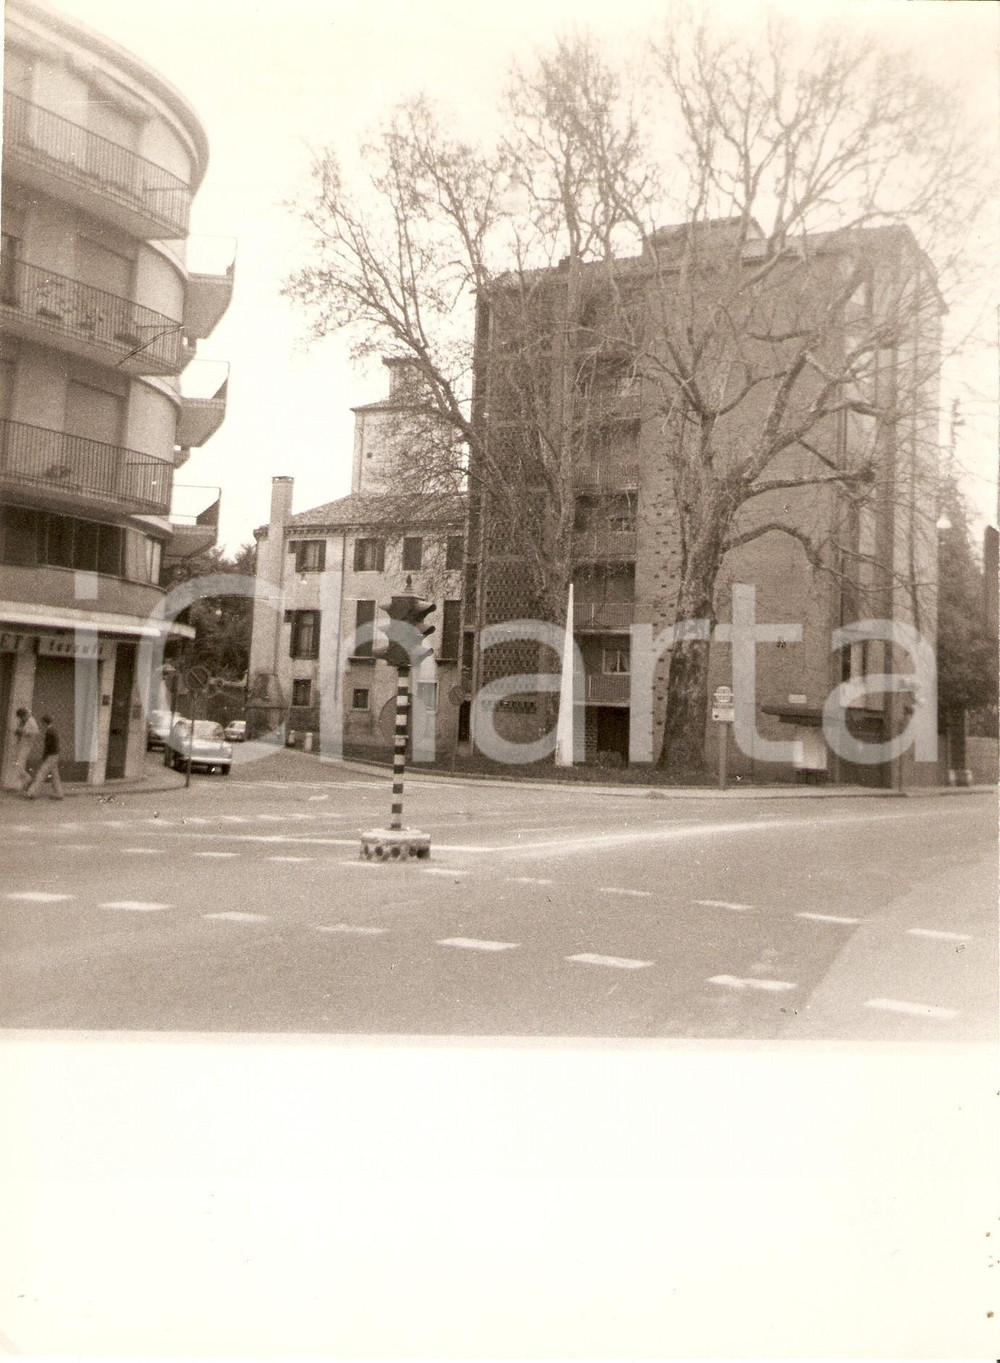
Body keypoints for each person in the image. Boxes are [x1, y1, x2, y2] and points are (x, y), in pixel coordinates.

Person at [24, 715, 63, 800]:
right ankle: (59, 794)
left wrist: (44, 757)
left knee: (41, 774)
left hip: (50, 756)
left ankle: (31, 793)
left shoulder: (49, 732)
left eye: (42, 723)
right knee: (55, 775)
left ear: (44, 723)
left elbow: (48, 746)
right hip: (55, 755)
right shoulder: (53, 730)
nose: (41, 725)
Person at [12, 706, 40, 791]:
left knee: (19, 765)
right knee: (18, 765)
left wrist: (22, 731)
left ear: (23, 715)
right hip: (22, 745)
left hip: (26, 746)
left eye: (21, 717)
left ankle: (28, 779)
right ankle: (24, 784)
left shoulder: (31, 721)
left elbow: (35, 732)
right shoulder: (26, 721)